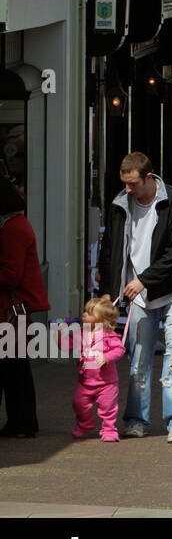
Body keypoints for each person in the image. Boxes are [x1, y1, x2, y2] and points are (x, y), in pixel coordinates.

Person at [99, 152, 172, 444]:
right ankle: (137, 419)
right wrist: (108, 287)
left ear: (149, 178)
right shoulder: (119, 204)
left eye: (132, 184)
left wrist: (144, 279)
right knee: (139, 356)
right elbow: (111, 248)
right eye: (124, 183)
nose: (127, 189)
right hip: (139, 294)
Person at [0, 175, 48, 438]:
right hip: (13, 310)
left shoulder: (12, 229)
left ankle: (23, 422)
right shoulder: (16, 225)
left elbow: (10, 275)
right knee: (14, 368)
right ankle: (22, 421)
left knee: (13, 369)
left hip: (10, 310)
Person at [64, 295, 126, 441]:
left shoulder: (108, 335)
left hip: (106, 383)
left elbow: (120, 350)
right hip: (85, 382)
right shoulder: (81, 334)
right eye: (85, 311)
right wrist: (59, 335)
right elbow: (68, 345)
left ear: (101, 320)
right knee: (79, 404)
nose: (84, 314)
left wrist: (106, 357)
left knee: (108, 408)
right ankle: (85, 424)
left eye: (89, 313)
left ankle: (109, 430)